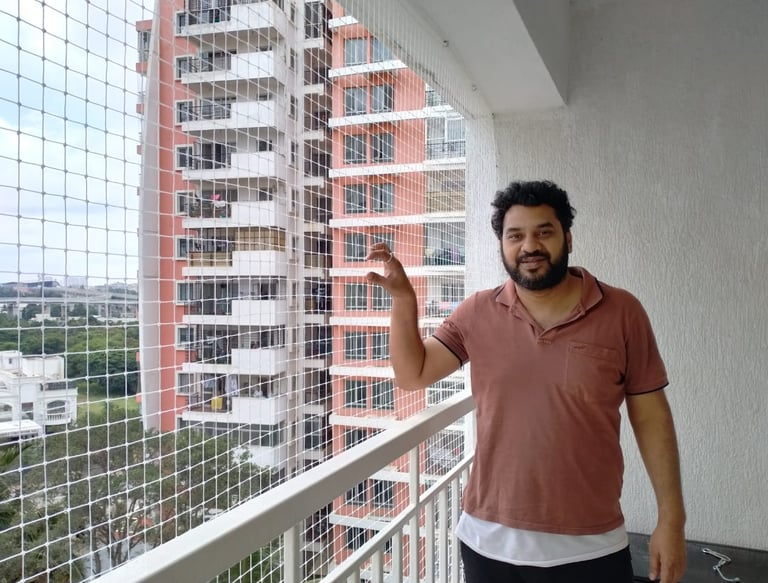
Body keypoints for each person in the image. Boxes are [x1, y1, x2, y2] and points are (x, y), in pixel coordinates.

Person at [365, 181, 686, 583]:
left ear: (567, 237)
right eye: (515, 235)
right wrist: (403, 301)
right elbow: (414, 374)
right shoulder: (476, 312)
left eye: (544, 232)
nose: (529, 246)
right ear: (502, 244)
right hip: (489, 544)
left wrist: (671, 521)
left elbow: (652, 417)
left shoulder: (622, 312)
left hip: (592, 545)